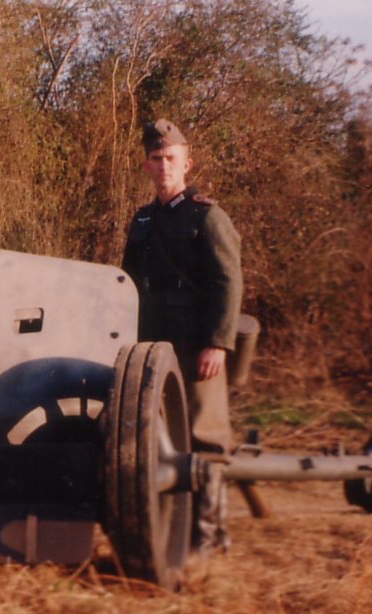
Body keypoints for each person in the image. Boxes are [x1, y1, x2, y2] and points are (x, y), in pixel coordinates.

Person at [121, 119, 243, 554]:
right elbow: (129, 287)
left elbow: (228, 282)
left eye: (171, 158)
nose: (163, 166)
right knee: (163, 437)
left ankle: (210, 534)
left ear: (186, 164)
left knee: (205, 436)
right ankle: (177, 526)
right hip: (154, 346)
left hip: (197, 345)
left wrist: (218, 343)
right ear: (146, 165)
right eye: (156, 159)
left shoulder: (207, 216)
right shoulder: (142, 220)